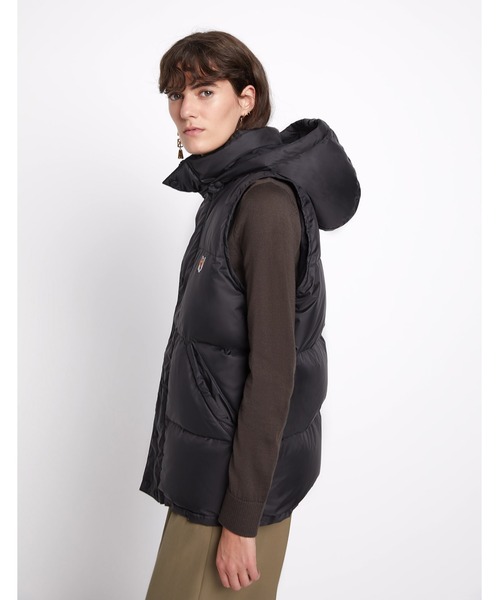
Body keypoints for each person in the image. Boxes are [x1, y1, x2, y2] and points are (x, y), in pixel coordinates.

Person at [140, 30, 360, 600]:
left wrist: (241, 519)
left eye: (204, 91)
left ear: (245, 99)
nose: (185, 110)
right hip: (210, 483)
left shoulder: (263, 204)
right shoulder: (226, 194)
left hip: (233, 498)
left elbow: (275, 371)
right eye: (175, 94)